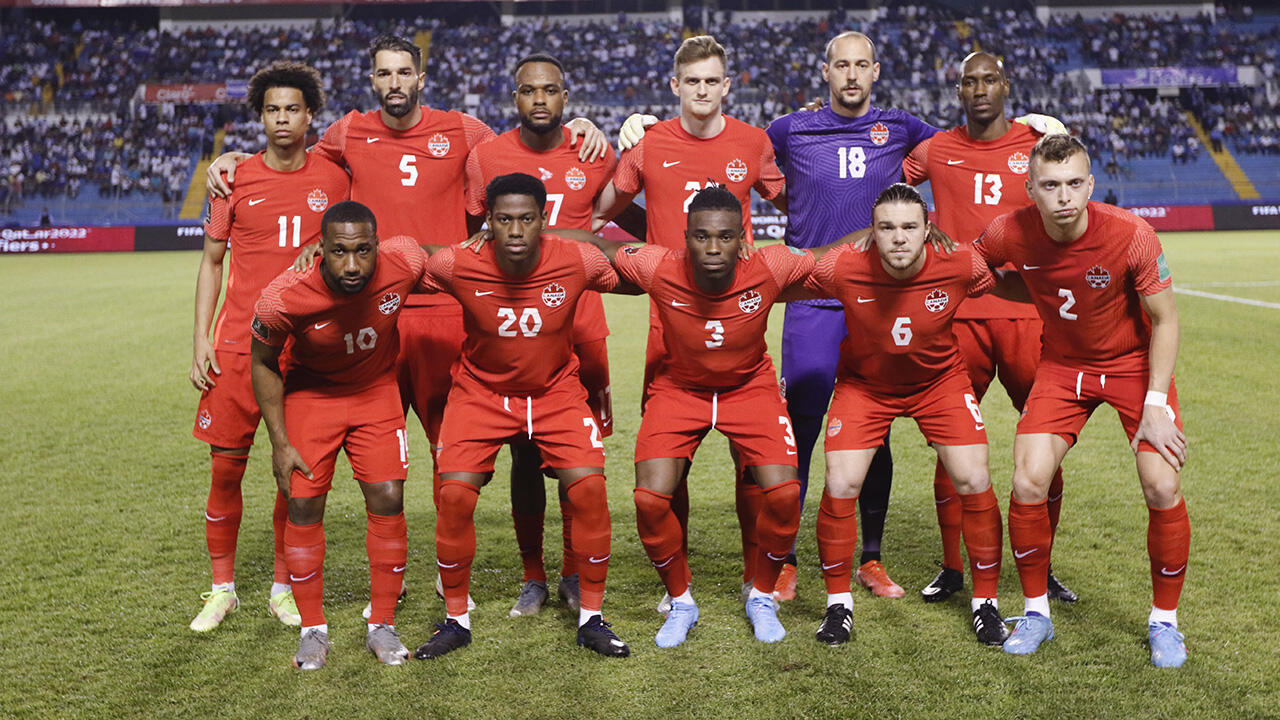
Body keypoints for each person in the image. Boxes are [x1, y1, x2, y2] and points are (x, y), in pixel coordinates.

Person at [211, 35, 604, 616]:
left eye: (404, 73)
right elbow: (290, 149)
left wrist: (585, 125)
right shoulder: (347, 132)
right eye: (384, 73)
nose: (395, 82)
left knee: (452, 463)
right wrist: (235, 159)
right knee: (375, 464)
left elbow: (526, 143)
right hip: (369, 318)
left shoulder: (467, 132)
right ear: (372, 80)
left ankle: (454, 594)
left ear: (421, 78)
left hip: (444, 312)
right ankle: (348, 586)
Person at [972, 134, 1189, 668]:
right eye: (1050, 186)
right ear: (1030, 190)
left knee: (1161, 484)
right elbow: (975, 268)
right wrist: (1032, 292)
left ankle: (1165, 623)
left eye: (1074, 184)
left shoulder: (1131, 235)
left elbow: (1165, 319)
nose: (1064, 196)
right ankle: (1037, 613)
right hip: (1062, 367)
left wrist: (1156, 403)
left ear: (1090, 185)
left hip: (1133, 365)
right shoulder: (1009, 231)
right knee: (1027, 481)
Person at [594, 34, 786, 613]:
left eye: (712, 81)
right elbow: (601, 209)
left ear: (728, 86)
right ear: (675, 86)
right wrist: (651, 226)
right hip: (669, 321)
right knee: (666, 463)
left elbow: (793, 203)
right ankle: (676, 586)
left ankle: (759, 583)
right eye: (692, 81)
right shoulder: (650, 144)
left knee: (752, 461)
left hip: (738, 315)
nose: (702, 91)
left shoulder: (752, 143)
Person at [413, 173, 629, 660]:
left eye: (526, 220)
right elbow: (403, 258)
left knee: (590, 488)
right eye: (504, 219)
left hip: (555, 393)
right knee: (453, 496)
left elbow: (640, 269)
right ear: (487, 221)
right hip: (481, 394)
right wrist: (319, 252)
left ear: (544, 220)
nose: (515, 231)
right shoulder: (458, 262)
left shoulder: (575, 259)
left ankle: (592, 618)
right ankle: (456, 620)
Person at [762, 31, 941, 600]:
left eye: (862, 65)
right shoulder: (790, 129)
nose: (852, 75)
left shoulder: (905, 128)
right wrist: (640, 125)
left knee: (875, 430)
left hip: (875, 305)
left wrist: (1033, 125)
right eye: (842, 65)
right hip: (811, 301)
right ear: (825, 71)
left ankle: (871, 557)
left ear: (877, 70)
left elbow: (968, 149)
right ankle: (785, 559)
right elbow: (733, 151)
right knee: (802, 430)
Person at [590, 186, 810, 647]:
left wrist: (882, 232)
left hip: (749, 388)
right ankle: (682, 601)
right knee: (651, 501)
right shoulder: (658, 265)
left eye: (726, 237)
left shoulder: (769, 265)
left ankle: (762, 595)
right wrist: (530, 233)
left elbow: (832, 258)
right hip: (679, 390)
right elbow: (600, 245)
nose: (713, 248)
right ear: (685, 237)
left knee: (786, 494)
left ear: (743, 237)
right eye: (702, 237)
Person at [465, 53, 642, 617]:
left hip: (582, 322)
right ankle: (532, 576)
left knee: (576, 460)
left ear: (567, 98)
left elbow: (633, 212)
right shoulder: (487, 156)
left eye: (550, 91)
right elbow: (475, 235)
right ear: (513, 97)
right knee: (522, 453)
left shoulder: (592, 151)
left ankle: (571, 571)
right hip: (515, 322)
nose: (539, 100)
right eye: (527, 91)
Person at [901, 52, 1077, 605]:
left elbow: (1071, 181)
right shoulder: (935, 149)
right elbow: (887, 185)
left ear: (1007, 85)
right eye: (969, 82)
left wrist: (1058, 131)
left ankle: (1040, 566)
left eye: (990, 80)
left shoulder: (1034, 142)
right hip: (956, 319)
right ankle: (954, 568)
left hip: (1029, 315)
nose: (980, 90)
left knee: (1044, 448)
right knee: (952, 448)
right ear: (958, 91)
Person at [804, 183, 1013, 647]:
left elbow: (1005, 281)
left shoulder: (960, 263)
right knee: (840, 483)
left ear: (927, 230)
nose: (898, 237)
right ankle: (838, 605)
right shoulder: (844, 265)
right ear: (872, 232)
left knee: (975, 480)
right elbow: (781, 279)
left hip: (939, 385)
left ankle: (986, 604)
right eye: (887, 228)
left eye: (909, 227)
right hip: (865, 387)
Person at [188, 60, 350, 633]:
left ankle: (283, 588)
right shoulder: (232, 177)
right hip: (235, 347)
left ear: (310, 116)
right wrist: (199, 339)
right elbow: (212, 264)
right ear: (260, 117)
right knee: (225, 470)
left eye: (293, 109)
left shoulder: (335, 176)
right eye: (272, 110)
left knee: (293, 472)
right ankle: (222, 588)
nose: (282, 119)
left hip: (301, 352)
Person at [250, 201, 434, 670]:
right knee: (304, 503)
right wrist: (280, 442)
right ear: (319, 251)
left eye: (362, 251)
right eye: (339, 252)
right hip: (313, 398)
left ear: (377, 245)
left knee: (389, 497)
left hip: (375, 394)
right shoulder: (283, 298)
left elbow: (433, 255)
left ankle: (383, 625)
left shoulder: (404, 261)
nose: (352, 264)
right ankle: (314, 630)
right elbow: (263, 363)